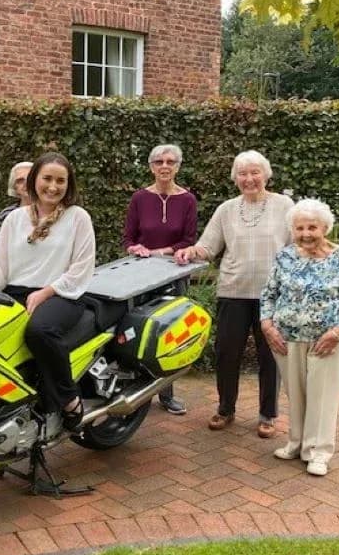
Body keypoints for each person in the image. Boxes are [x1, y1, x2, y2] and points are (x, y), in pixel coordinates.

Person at [174, 150, 293, 438]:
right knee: (227, 353)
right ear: (235, 178)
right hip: (233, 290)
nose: (249, 178)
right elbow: (208, 246)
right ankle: (226, 408)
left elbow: (298, 246)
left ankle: (267, 414)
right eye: (242, 173)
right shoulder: (226, 209)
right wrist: (191, 251)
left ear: (266, 175)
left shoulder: (284, 205)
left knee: (270, 356)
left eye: (255, 172)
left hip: (272, 295)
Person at [0, 152, 95, 431]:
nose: (53, 187)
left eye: (61, 181)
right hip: (16, 292)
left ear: (69, 184)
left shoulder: (77, 217)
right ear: (34, 180)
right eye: (47, 178)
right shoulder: (14, 219)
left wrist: (46, 292)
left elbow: (82, 267)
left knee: (39, 331)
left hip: (62, 294)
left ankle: (69, 398)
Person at [260, 199, 339, 476]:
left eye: (312, 227)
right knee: (296, 394)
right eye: (299, 228)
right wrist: (267, 325)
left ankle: (319, 451)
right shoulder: (284, 257)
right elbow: (268, 294)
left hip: (327, 341)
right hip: (286, 339)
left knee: (324, 397)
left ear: (325, 228)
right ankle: (296, 443)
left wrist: (338, 332)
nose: (305, 234)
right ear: (292, 230)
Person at [123, 143, 197, 415]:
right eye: (159, 162)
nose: (164, 166)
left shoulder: (188, 200)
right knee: (137, 330)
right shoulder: (139, 198)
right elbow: (128, 238)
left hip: (173, 274)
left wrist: (161, 252)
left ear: (177, 167)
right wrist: (135, 248)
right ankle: (135, 394)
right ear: (151, 167)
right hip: (141, 275)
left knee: (170, 333)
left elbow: (188, 240)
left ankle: (167, 394)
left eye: (170, 162)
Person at [0, 161, 33, 238]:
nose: (26, 184)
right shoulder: (6, 214)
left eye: (30, 178)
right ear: (14, 187)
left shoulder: (52, 212)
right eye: (20, 181)